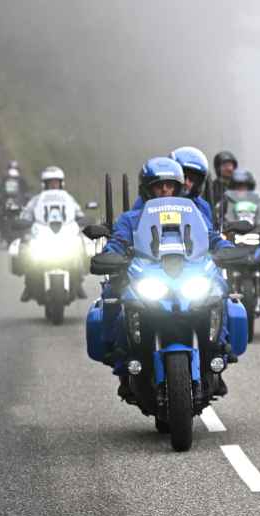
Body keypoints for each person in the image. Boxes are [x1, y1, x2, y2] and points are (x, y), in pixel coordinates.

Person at [98, 157, 234, 398]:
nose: (164, 190)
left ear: (179, 188)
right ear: (147, 188)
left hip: (187, 277)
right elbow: (118, 241)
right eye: (158, 185)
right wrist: (110, 254)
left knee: (220, 290)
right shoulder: (131, 218)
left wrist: (226, 248)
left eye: (170, 185)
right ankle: (122, 358)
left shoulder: (193, 214)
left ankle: (218, 353)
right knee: (113, 294)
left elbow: (212, 237)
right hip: (148, 277)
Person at [18, 166, 88, 300]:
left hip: (64, 235)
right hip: (43, 235)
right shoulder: (36, 200)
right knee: (27, 250)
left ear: (61, 183)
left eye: (56, 182)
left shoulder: (69, 199)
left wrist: (83, 219)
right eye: (50, 182)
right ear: (44, 184)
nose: (53, 184)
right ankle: (28, 285)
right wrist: (23, 222)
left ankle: (79, 282)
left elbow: (78, 213)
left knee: (81, 244)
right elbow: (26, 215)